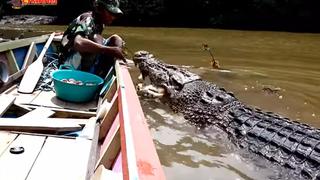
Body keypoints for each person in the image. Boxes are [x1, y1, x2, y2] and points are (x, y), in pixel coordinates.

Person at [60, 0, 126, 77]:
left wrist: (117, 50)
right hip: (69, 60)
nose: (113, 17)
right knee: (97, 40)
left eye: (114, 14)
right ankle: (84, 74)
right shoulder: (88, 19)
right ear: (99, 9)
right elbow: (78, 43)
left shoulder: (100, 23)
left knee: (116, 39)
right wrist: (109, 50)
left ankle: (101, 70)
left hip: (84, 57)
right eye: (110, 13)